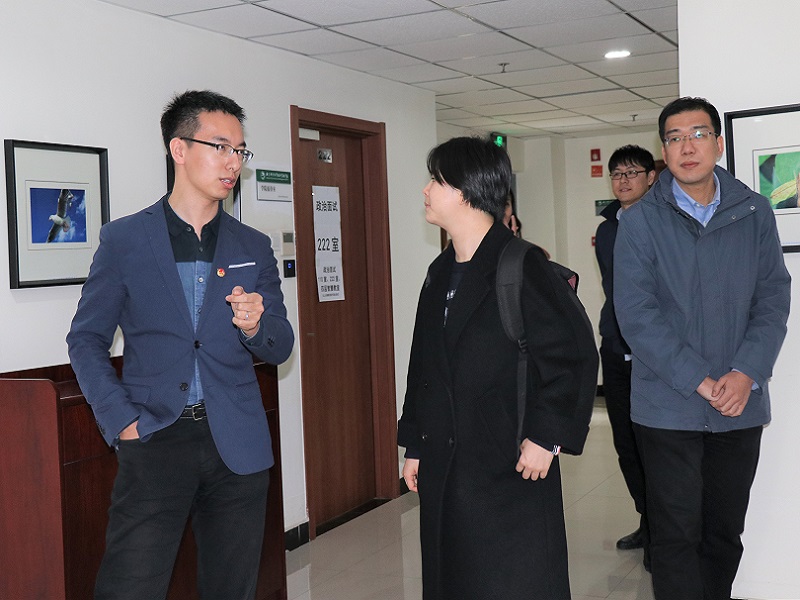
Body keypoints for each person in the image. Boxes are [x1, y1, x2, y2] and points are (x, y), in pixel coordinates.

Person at [67, 90, 294, 600]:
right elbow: (85, 338)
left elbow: (280, 346)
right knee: (128, 587)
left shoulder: (252, 245)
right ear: (179, 149)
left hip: (236, 443)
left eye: (240, 150)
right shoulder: (124, 240)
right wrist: (121, 422)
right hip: (154, 436)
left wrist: (256, 326)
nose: (233, 162)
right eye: (221, 147)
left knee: (231, 589)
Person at [397, 136, 598, 600]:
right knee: (453, 577)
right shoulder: (438, 273)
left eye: (436, 180)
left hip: (510, 462)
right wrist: (415, 443)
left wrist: (547, 437)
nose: (425, 190)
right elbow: (423, 365)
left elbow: (573, 356)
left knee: (511, 581)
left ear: (467, 191)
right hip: (446, 459)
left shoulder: (523, 266)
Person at [614, 97, 791, 600]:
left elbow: (773, 298)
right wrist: (699, 378)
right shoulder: (640, 221)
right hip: (668, 406)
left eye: (698, 134)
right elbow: (637, 314)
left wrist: (746, 371)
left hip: (739, 403)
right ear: (663, 150)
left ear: (718, 143)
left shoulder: (754, 211)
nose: (687, 146)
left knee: (723, 533)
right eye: (674, 138)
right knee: (674, 537)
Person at [595, 145, 655, 565]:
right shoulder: (608, 228)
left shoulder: (663, 220)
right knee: (626, 443)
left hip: (653, 352)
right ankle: (648, 522)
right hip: (616, 346)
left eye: (632, 172)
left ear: (651, 177)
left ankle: (664, 530)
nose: (623, 180)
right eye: (617, 174)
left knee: (655, 443)